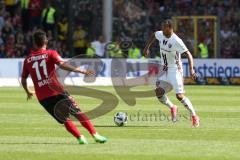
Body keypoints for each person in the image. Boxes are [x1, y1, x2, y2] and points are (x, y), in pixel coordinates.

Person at [21, 30, 107, 144]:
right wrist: (80, 70)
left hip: (43, 98)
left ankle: (80, 138)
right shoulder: (51, 53)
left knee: (64, 118)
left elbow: (23, 79)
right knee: (77, 112)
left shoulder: (27, 60)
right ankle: (95, 135)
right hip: (57, 91)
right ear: (46, 41)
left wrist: (27, 91)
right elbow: (62, 64)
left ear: (34, 43)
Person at [143, 19, 200, 127]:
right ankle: (172, 107)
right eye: (162, 27)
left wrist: (192, 70)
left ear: (170, 28)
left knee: (179, 96)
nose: (162, 30)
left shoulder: (176, 40)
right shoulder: (161, 34)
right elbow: (154, 35)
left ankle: (194, 116)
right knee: (158, 92)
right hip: (164, 69)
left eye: (164, 27)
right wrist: (147, 48)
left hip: (175, 70)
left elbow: (189, 54)